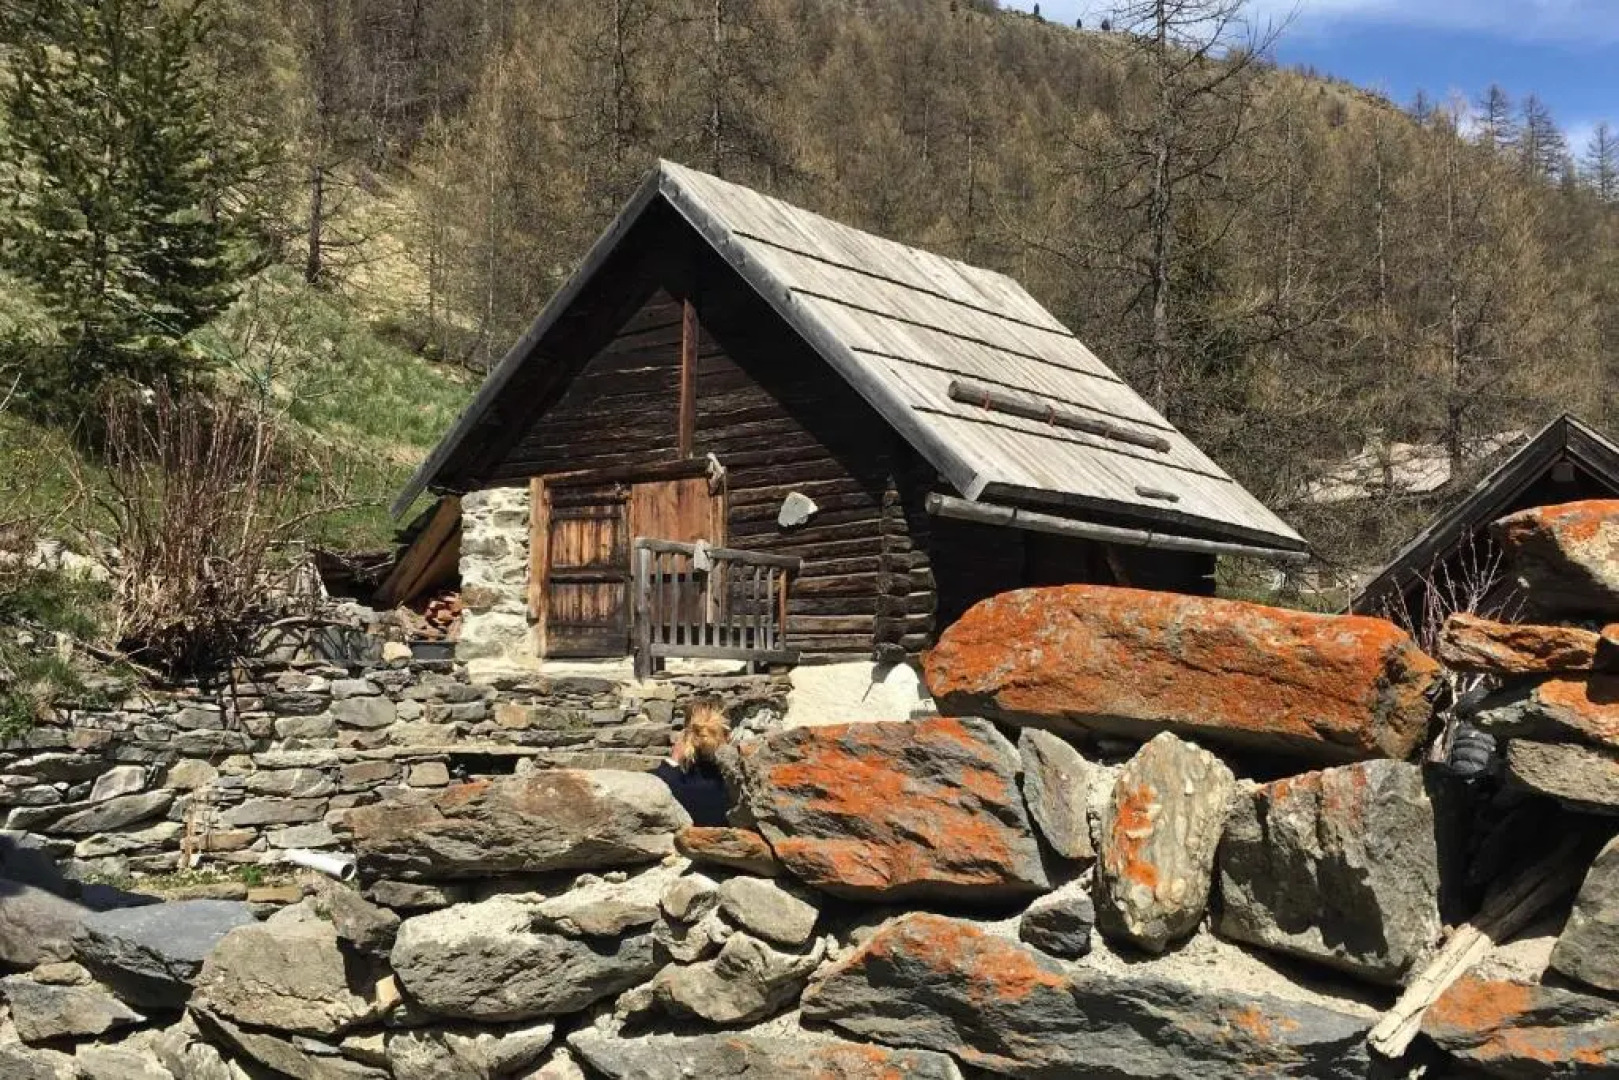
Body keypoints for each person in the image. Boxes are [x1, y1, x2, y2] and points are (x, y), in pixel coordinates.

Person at [652, 699, 732, 827]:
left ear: (685, 736)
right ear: (728, 737)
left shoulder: (667, 783)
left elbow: (651, 784)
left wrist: (674, 759)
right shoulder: (738, 786)